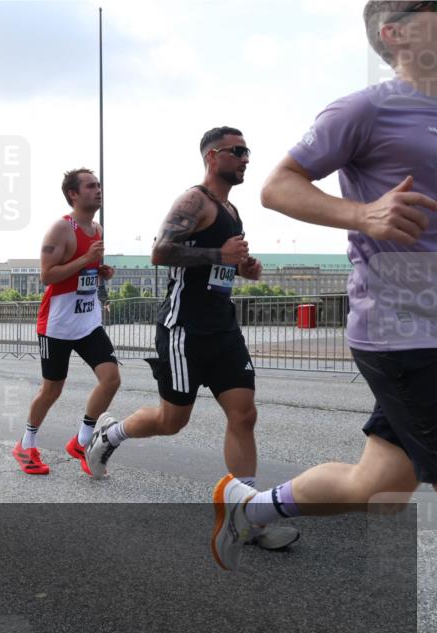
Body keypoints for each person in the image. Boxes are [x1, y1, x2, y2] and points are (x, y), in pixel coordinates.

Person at [212, 1, 437, 571]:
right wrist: (364, 215)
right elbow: (277, 186)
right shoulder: (365, 109)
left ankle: (250, 507)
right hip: (406, 330)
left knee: (379, 487)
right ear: (395, 32)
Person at [80, 128, 297, 548]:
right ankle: (110, 435)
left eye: (247, 151)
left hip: (223, 327)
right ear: (213, 156)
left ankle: (248, 517)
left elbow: (221, 264)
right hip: (184, 329)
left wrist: (243, 267)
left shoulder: (231, 210)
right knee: (172, 421)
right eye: (238, 151)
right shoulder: (193, 201)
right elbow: (160, 252)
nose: (246, 159)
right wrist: (220, 255)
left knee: (244, 414)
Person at [13, 167, 117, 475]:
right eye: (90, 186)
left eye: (98, 185)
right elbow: (47, 275)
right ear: (73, 194)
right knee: (52, 389)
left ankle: (82, 441)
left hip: (87, 321)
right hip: (57, 324)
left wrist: (99, 272)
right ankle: (26, 444)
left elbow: (82, 271)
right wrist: (86, 260)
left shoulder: (96, 229)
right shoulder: (61, 229)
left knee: (111, 379)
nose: (98, 190)